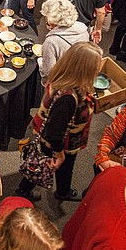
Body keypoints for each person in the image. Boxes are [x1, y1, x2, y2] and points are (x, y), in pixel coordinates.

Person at [16, 42, 102, 202]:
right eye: (95, 68)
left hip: (55, 136)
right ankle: (25, 191)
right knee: (44, 165)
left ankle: (62, 190)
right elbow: (54, 132)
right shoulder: (68, 98)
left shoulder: (61, 75)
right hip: (60, 143)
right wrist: (60, 154)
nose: (98, 70)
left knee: (53, 165)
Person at [38, 0, 89, 84]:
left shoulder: (52, 41)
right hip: (78, 79)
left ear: (51, 21)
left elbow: (49, 73)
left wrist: (39, 62)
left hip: (59, 84)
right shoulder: (83, 30)